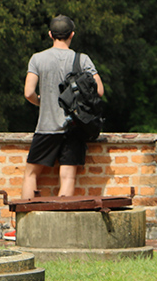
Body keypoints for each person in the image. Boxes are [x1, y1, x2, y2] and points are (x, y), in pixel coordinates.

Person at [21, 15, 103, 201]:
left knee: (31, 174)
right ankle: (60, 225)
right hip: (74, 127)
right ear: (71, 35)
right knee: (67, 177)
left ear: (50, 34)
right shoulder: (82, 59)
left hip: (46, 127)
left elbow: (28, 93)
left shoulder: (37, 59)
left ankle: (25, 222)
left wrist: (43, 102)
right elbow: (99, 90)